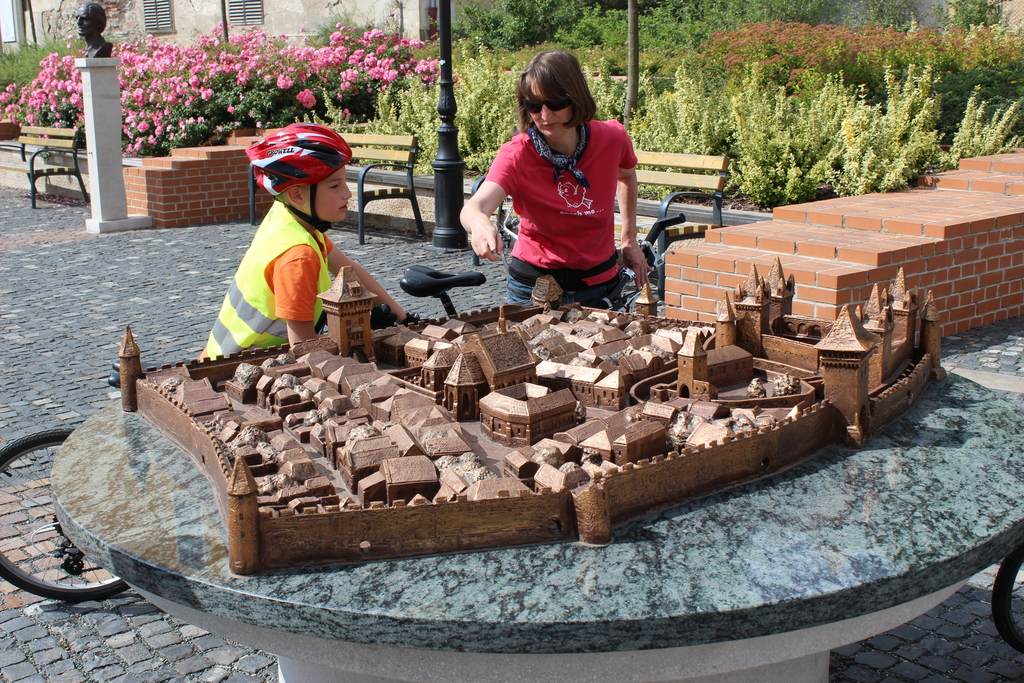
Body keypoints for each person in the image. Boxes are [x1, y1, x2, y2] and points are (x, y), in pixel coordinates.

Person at [204, 123, 413, 359]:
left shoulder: (290, 219)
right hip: (245, 367)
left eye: (344, 182)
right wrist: (361, 334)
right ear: (296, 195)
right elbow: (304, 349)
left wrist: (404, 319)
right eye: (335, 185)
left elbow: (349, 271)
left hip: (223, 353)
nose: (347, 193)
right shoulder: (298, 257)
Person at [460, 49, 648, 308]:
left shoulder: (612, 138)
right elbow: (474, 206)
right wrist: (480, 223)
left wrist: (629, 239)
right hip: (532, 287)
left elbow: (625, 175)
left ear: (576, 98)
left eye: (556, 103)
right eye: (534, 105)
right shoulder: (517, 153)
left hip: (600, 285)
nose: (545, 116)